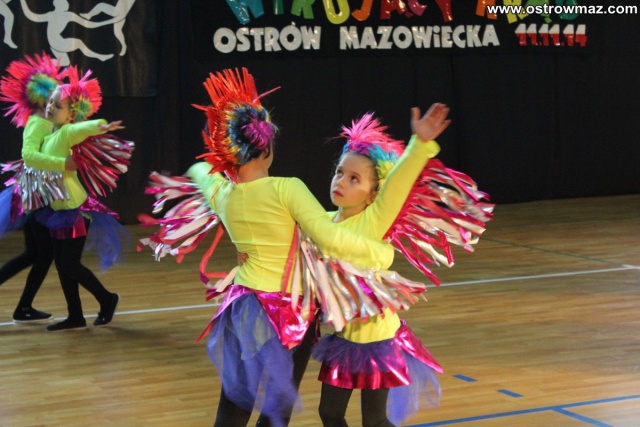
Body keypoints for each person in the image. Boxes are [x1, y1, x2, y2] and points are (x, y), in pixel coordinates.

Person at [142, 67, 391, 427]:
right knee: (277, 409)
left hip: (244, 306)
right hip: (289, 310)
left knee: (233, 406)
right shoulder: (287, 188)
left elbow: (199, 172)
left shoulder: (222, 194)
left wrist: (215, 168)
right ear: (266, 147)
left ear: (230, 150)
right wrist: (382, 254)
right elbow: (331, 238)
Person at [311, 108, 451, 427]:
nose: (341, 182)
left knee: (374, 421)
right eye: (339, 172)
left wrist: (419, 145)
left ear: (374, 194)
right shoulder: (323, 222)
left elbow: (398, 183)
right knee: (329, 413)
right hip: (344, 338)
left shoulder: (373, 221)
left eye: (354, 179)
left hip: (378, 341)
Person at [36, 65, 122, 332]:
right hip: (57, 210)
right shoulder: (48, 136)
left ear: (71, 114)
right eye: (50, 102)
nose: (50, 107)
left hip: (74, 210)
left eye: (57, 105)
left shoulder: (65, 132)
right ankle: (75, 316)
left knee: (69, 264)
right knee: (63, 266)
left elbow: (82, 129)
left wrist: (100, 126)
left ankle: (107, 299)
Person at [0, 52, 73, 323]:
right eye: (52, 97)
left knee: (37, 254)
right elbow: (29, 155)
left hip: (37, 194)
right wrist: (63, 163)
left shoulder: (47, 122)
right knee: (41, 254)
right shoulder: (38, 122)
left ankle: (24, 308)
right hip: (33, 196)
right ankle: (24, 308)